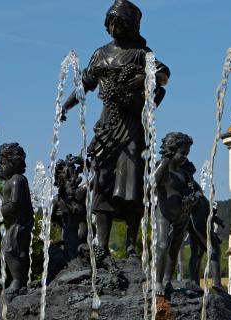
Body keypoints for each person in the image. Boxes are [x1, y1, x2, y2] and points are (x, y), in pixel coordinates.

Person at [61, 0, 170, 263]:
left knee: (132, 183)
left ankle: (132, 246)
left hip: (131, 125)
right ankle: (102, 244)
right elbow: (85, 83)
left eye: (118, 22)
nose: (113, 27)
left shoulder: (142, 54)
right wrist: (66, 104)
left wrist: (146, 78)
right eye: (110, 22)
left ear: (130, 25)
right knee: (101, 181)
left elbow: (164, 75)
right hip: (107, 125)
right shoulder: (100, 54)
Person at [154, 132, 201, 296]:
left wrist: (193, 198)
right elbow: (151, 184)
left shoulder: (184, 173)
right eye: (182, 153)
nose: (185, 158)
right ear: (171, 151)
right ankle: (157, 281)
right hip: (164, 213)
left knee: (175, 249)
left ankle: (167, 280)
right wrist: (165, 161)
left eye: (187, 154)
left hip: (182, 215)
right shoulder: (163, 170)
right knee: (162, 245)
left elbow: (198, 191)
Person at [0, 143, 34, 300]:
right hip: (14, 223)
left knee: (10, 250)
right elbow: (2, 175)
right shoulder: (12, 179)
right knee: (18, 250)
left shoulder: (17, 180)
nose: (0, 167)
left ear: (14, 164)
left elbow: (14, 204)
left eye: (2, 164)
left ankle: (18, 281)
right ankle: (21, 282)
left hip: (19, 222)